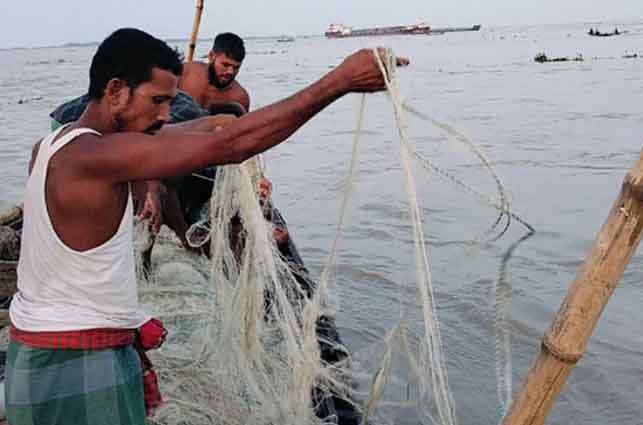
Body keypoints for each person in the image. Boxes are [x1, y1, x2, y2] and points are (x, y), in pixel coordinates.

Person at [6, 27, 404, 425]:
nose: (165, 114)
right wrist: (341, 81)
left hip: (40, 345)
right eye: (158, 100)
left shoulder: (56, 144)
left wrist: (212, 122)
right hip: (77, 357)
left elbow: (178, 135)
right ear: (115, 91)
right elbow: (229, 149)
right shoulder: (95, 158)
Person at [180, 32, 250, 111]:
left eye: (236, 67)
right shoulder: (185, 72)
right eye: (225, 65)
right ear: (211, 56)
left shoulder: (240, 98)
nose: (230, 72)